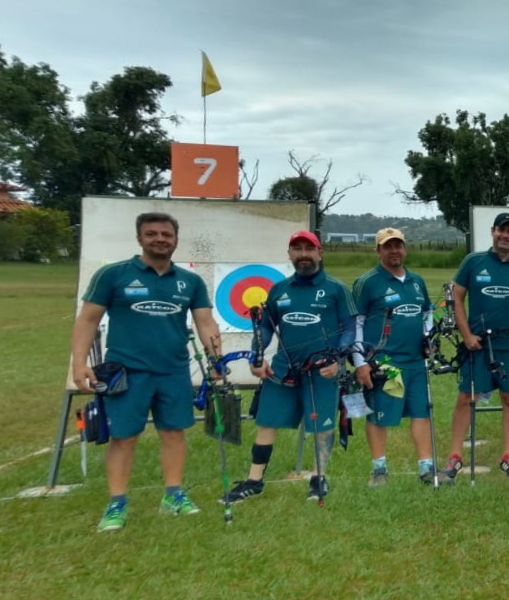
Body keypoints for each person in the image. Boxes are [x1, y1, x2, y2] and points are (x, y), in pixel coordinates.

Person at [70, 212, 222, 532]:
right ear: (139, 238)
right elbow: (87, 320)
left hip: (173, 370)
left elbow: (205, 322)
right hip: (127, 372)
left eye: (166, 234)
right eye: (151, 234)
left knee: (173, 433)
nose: (160, 239)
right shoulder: (113, 275)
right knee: (124, 438)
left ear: (175, 240)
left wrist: (216, 361)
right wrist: (79, 363)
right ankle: (116, 504)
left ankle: (173, 496)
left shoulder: (189, 281)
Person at [224, 231, 357, 503]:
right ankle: (254, 480)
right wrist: (256, 356)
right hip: (282, 370)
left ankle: (319, 478)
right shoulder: (279, 289)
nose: (304, 254)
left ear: (320, 253)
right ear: (289, 254)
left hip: (321, 370)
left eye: (310, 248)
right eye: (297, 249)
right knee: (266, 422)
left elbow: (350, 328)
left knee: (322, 426)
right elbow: (264, 326)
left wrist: (337, 360)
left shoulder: (336, 289)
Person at [442, 212, 509, 481]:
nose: (505, 235)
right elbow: (456, 297)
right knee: (467, 397)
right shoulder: (473, 262)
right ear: (493, 231)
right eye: (501, 230)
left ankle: (508, 456)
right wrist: (465, 335)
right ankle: (455, 456)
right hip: (478, 344)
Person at [351, 228, 437, 487]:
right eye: (387, 246)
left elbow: (426, 314)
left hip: (415, 361)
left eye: (398, 245)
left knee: (421, 412)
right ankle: (379, 470)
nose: (394, 251)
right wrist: (360, 362)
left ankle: (426, 467)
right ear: (378, 250)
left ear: (405, 248)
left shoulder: (416, 281)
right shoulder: (367, 282)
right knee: (379, 415)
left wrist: (428, 339)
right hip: (383, 363)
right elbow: (355, 323)